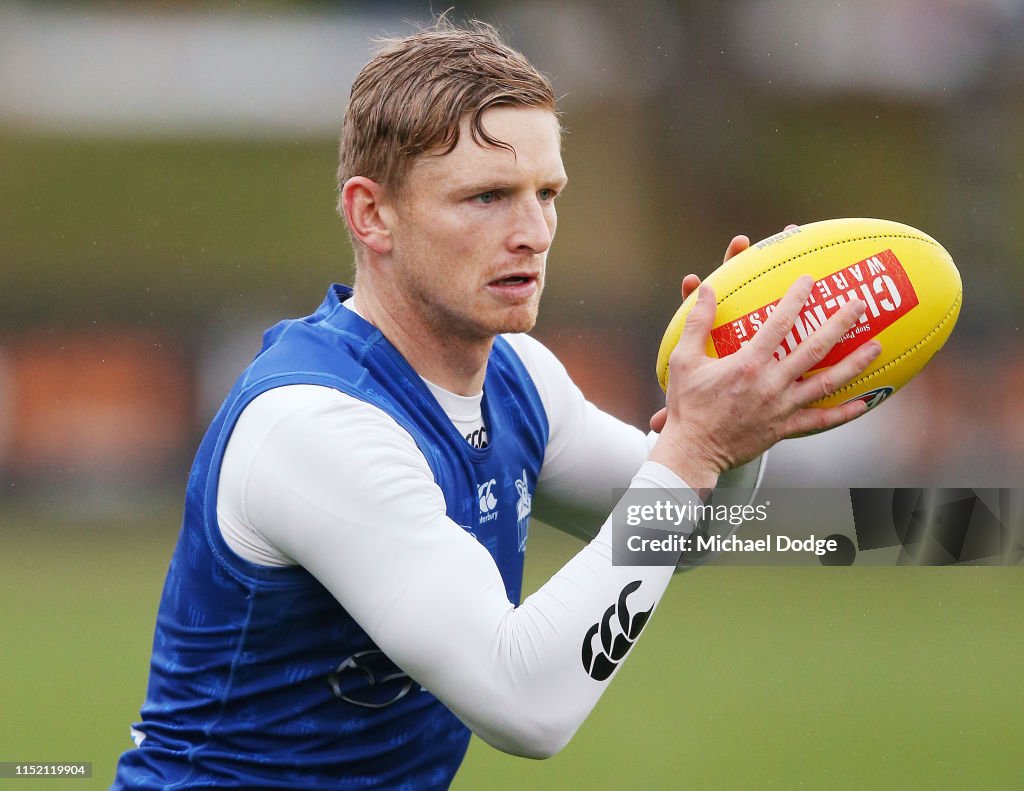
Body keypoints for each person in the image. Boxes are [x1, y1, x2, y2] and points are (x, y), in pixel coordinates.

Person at [112, 17, 880, 790]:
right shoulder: (315, 424)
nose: (534, 231)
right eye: (487, 196)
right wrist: (691, 450)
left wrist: (736, 413)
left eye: (547, 193)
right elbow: (526, 702)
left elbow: (690, 530)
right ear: (369, 214)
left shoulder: (518, 378)